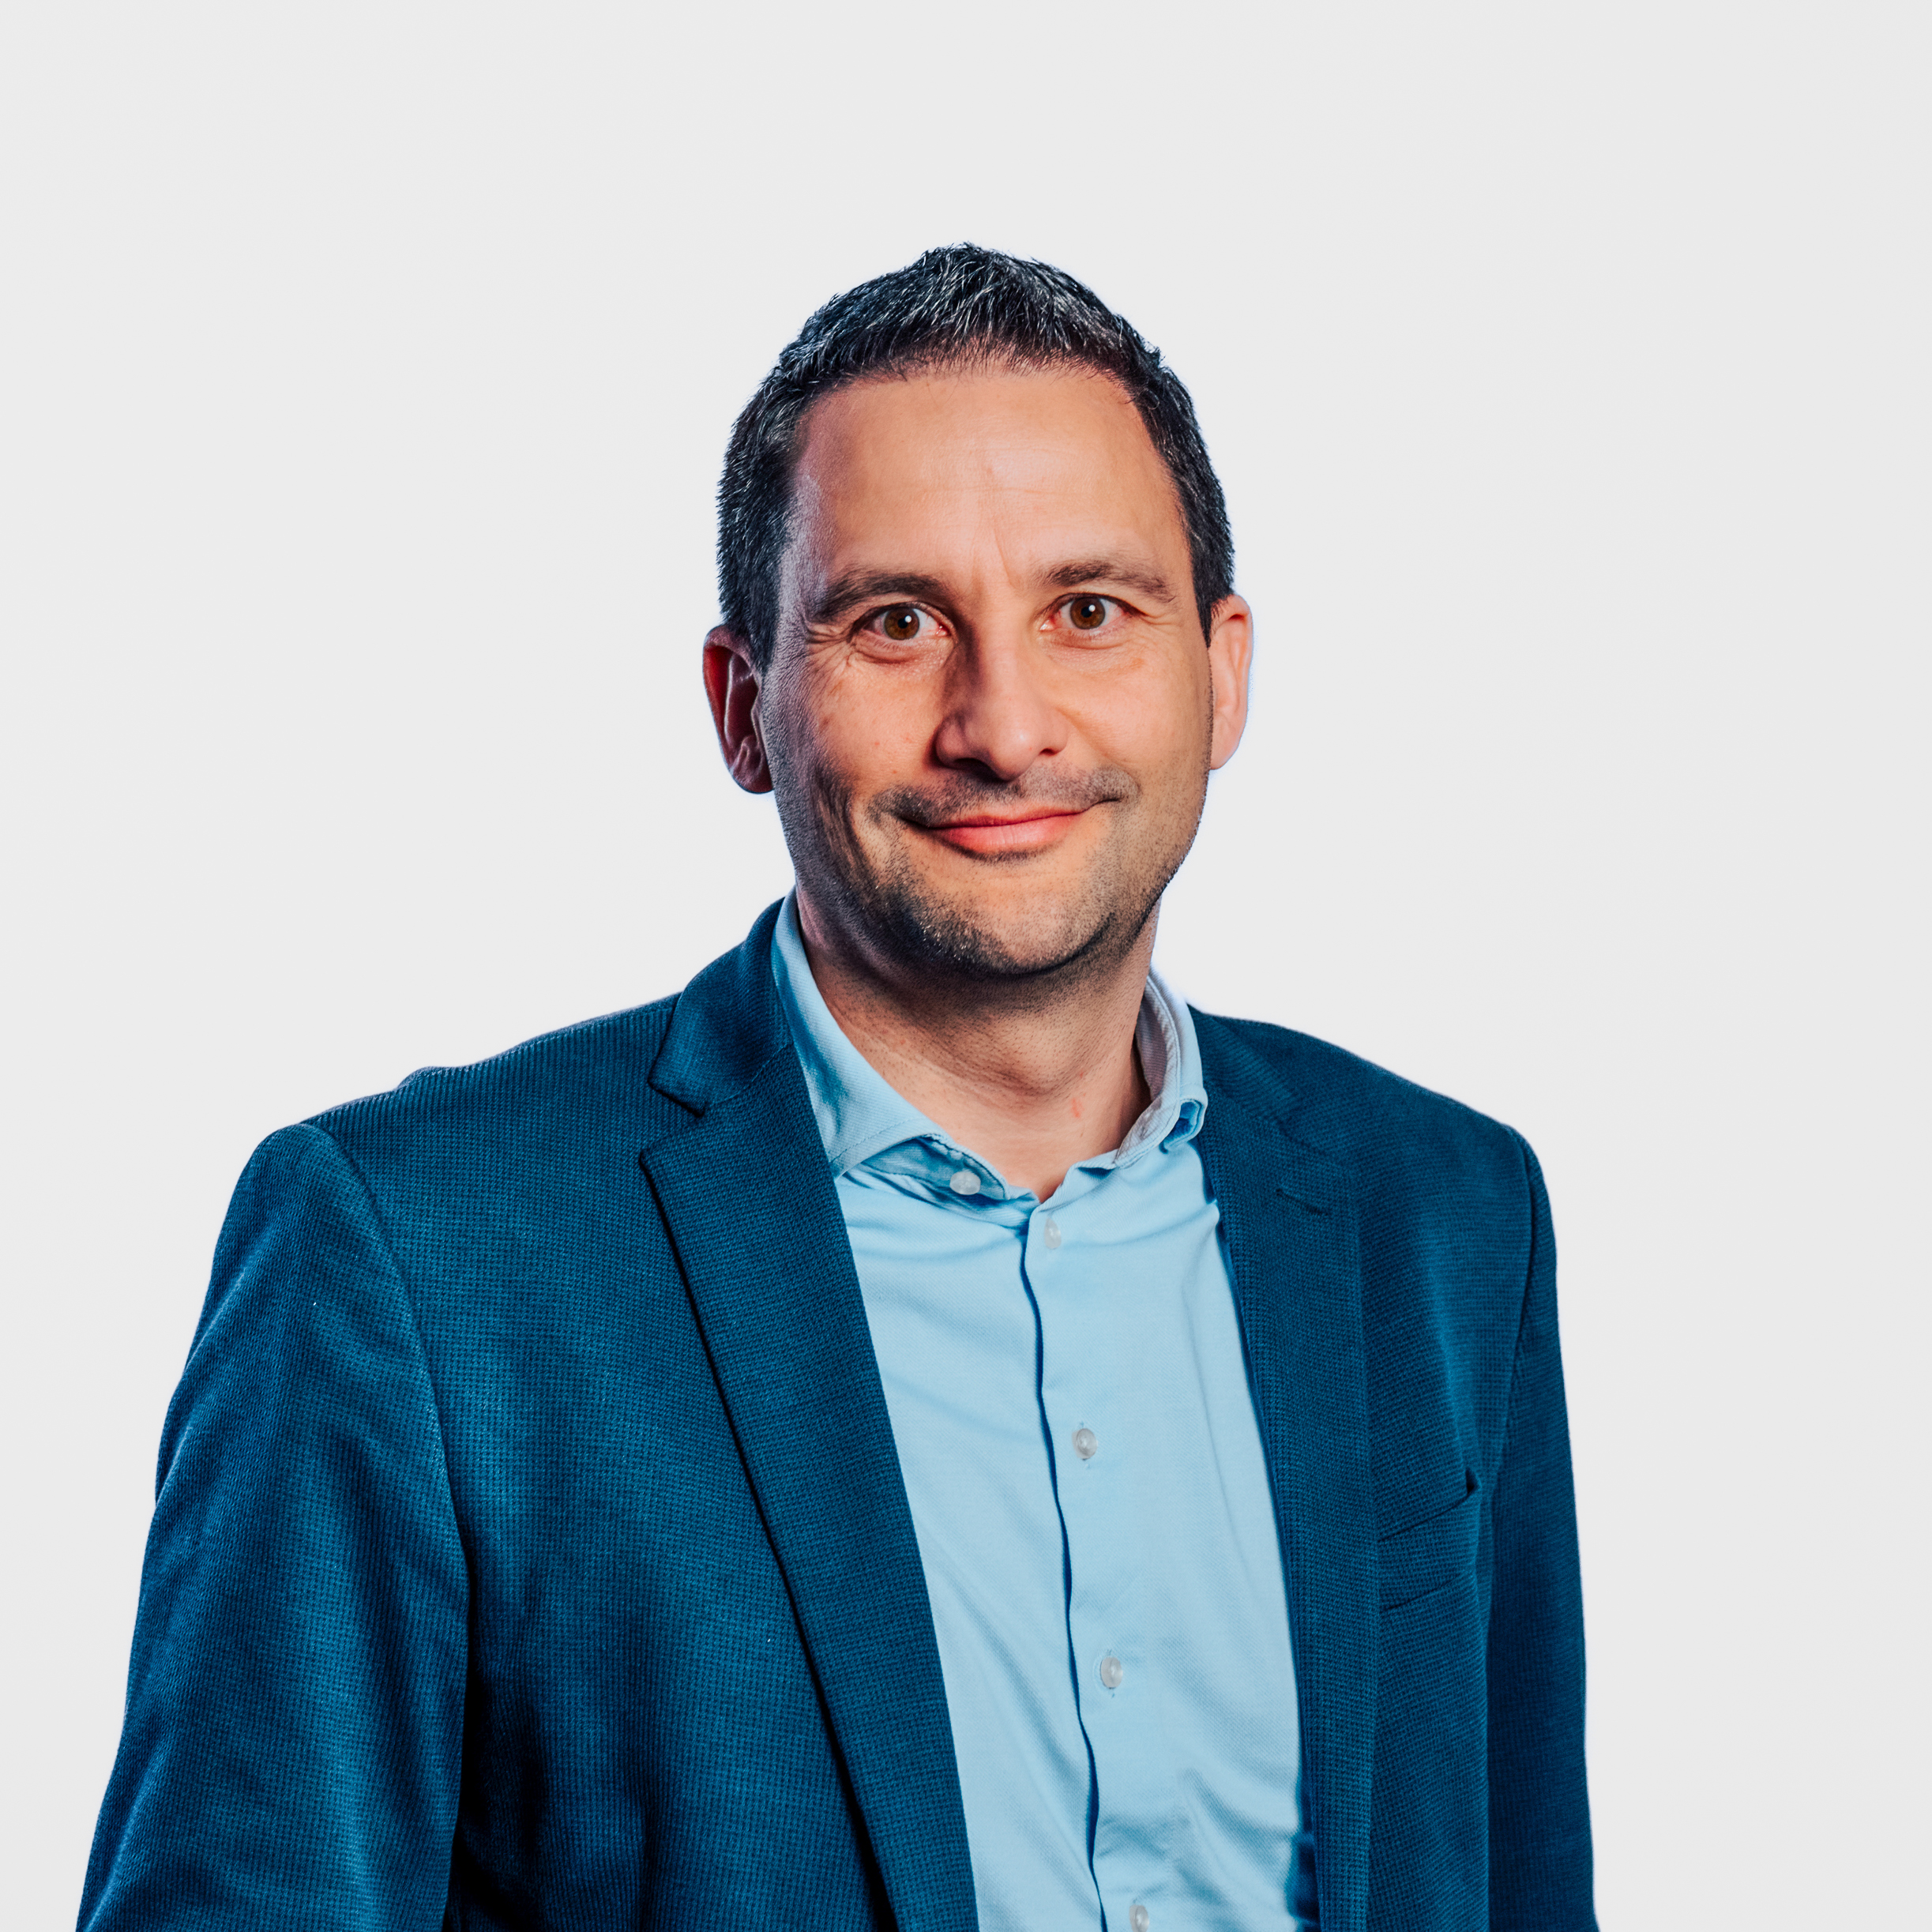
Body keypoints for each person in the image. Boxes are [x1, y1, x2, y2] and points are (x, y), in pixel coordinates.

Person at [78, 245, 1595, 1932]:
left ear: (1221, 670)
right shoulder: (413, 1257)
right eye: (895, 623)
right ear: (743, 708)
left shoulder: (1444, 1215)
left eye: (1089, 610)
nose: (1003, 724)